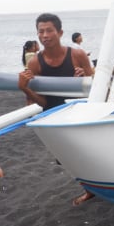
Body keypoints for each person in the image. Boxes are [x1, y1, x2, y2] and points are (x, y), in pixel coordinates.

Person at [18, 13, 95, 206]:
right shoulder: (35, 63)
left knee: (90, 152)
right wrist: (25, 88)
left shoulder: (77, 55)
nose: (44, 35)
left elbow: (97, 85)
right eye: (40, 31)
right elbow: (39, 102)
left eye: (49, 30)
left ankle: (101, 185)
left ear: (60, 32)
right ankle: (89, 189)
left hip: (80, 113)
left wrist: (85, 77)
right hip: (54, 115)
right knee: (66, 159)